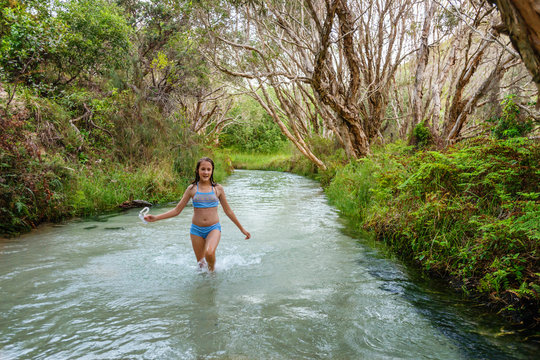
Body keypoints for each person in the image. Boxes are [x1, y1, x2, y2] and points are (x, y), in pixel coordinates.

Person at [144, 157, 251, 271]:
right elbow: (177, 210)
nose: (206, 172)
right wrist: (155, 218)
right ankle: (204, 285)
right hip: (196, 230)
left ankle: (213, 274)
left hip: (213, 229)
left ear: (212, 171)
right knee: (201, 265)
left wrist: (241, 229)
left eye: (209, 169)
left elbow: (228, 211)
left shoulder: (217, 189)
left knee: (209, 253)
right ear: (197, 170)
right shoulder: (192, 189)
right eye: (203, 169)